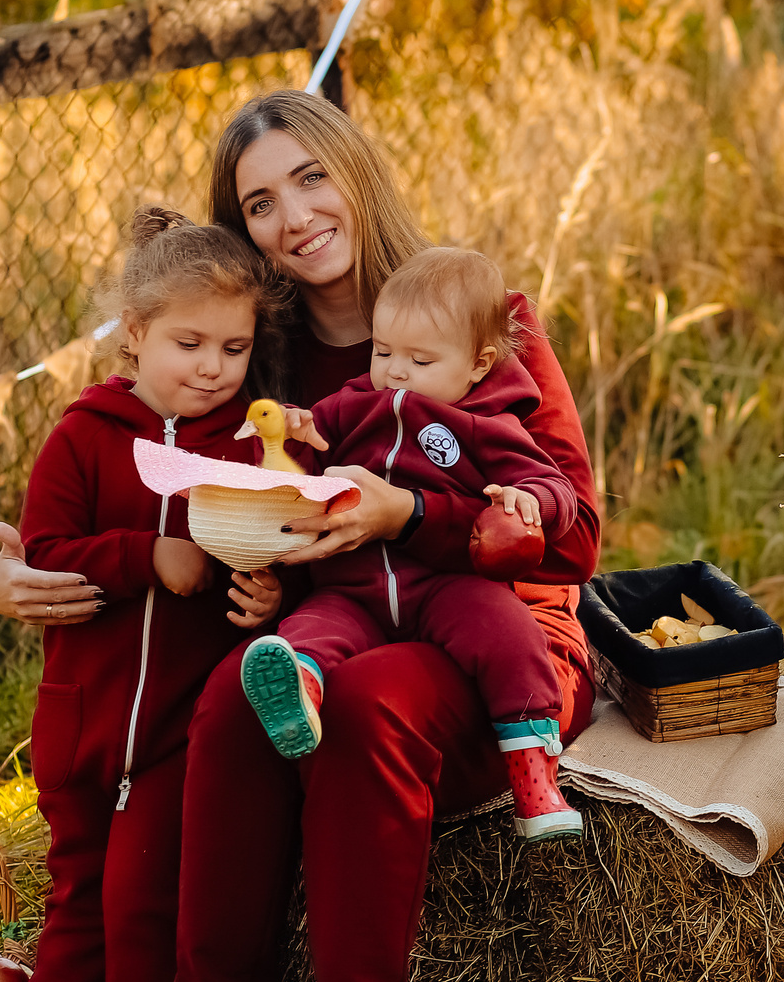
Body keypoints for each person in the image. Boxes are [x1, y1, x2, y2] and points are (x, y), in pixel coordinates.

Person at [0, 89, 599, 982]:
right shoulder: (249, 364)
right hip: (333, 623)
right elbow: (126, 459)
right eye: (259, 202)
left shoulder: (476, 316)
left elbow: (576, 536)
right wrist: (25, 563)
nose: (294, 215)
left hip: (487, 637)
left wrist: (411, 515)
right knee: (232, 698)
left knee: (363, 710)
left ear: (354, 169)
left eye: (310, 177)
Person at [0, 207, 288, 982]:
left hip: (175, 726)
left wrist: (258, 593)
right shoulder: (86, 435)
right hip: (81, 715)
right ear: (134, 335)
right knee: (76, 887)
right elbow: (46, 546)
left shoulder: (246, 450)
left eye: (234, 347)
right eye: (189, 342)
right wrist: (144, 553)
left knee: (141, 893)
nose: (212, 366)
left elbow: (270, 543)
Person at [242, 246, 584, 843]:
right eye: (383, 352)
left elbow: (552, 484)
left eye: (421, 359)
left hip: (447, 585)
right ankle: (300, 690)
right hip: (353, 588)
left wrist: (532, 501)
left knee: (509, 636)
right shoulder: (350, 406)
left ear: (477, 365)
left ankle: (534, 776)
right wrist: (290, 433)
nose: (396, 371)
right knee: (309, 631)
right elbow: (297, 464)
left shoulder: (482, 423)